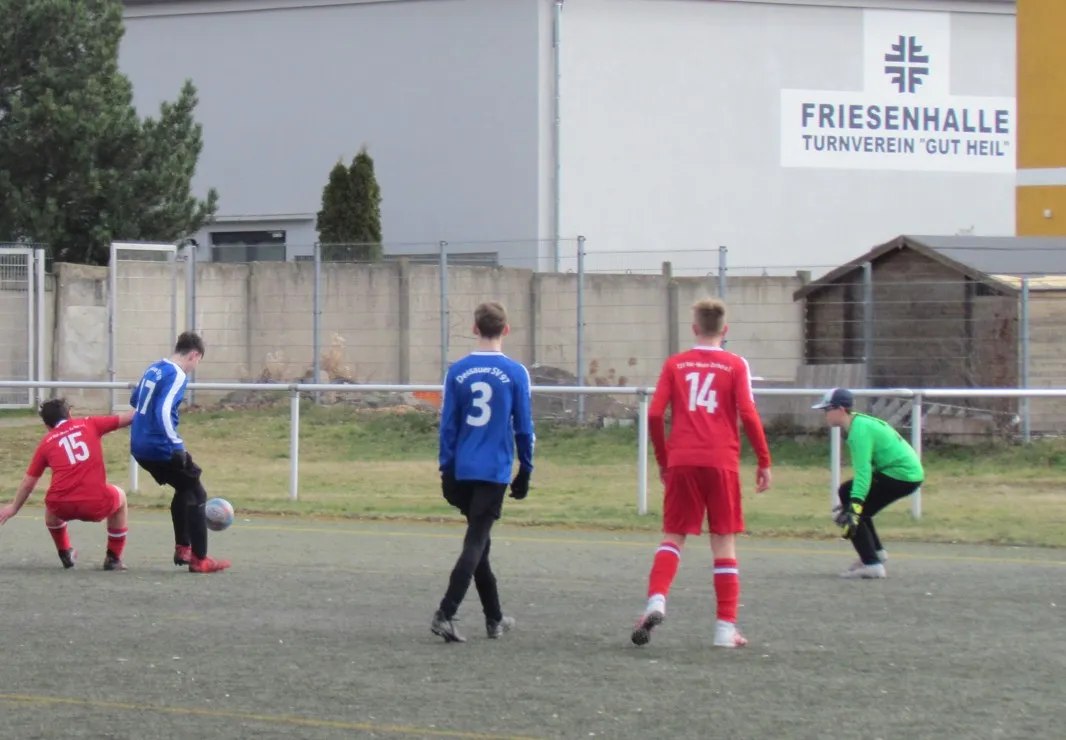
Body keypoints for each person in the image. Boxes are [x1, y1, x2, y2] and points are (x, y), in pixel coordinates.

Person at [631, 298, 772, 649]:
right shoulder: (736, 364)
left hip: (682, 460)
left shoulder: (675, 364)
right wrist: (764, 460)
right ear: (725, 331)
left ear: (694, 328)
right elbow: (748, 413)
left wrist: (664, 459)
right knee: (723, 541)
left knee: (674, 535)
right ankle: (725, 630)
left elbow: (654, 415)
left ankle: (656, 601)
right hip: (722, 462)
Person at [430, 301, 534, 643]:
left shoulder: (457, 371)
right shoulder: (516, 372)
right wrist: (526, 468)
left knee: (480, 545)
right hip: (493, 471)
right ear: (506, 329)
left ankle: (494, 618)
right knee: (476, 542)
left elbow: (448, 425)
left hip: (462, 468)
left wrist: (446, 467)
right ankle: (446, 613)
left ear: (475, 329)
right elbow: (524, 428)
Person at [131, 331, 231, 574]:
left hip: (139, 446)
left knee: (184, 487)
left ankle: (183, 547)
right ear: (194, 355)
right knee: (197, 492)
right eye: (198, 361)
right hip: (159, 445)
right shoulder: (176, 374)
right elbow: (164, 410)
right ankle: (200, 559)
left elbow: (135, 400)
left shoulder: (154, 368)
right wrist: (176, 445)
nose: (195, 367)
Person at [0, 399, 135, 571]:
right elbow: (127, 418)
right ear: (69, 414)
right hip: (95, 504)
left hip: (62, 507)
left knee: (51, 501)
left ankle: (64, 551)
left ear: (47, 426)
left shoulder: (46, 443)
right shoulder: (89, 424)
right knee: (121, 497)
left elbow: (28, 483)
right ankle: (113, 558)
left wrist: (13, 508)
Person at [813, 388, 924, 579]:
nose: (825, 414)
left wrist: (854, 506)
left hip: (902, 476)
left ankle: (872, 564)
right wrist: (854, 503)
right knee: (847, 493)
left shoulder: (858, 432)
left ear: (840, 409)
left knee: (856, 512)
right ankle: (876, 553)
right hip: (903, 474)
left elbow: (863, 474)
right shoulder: (858, 423)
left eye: (827, 409)